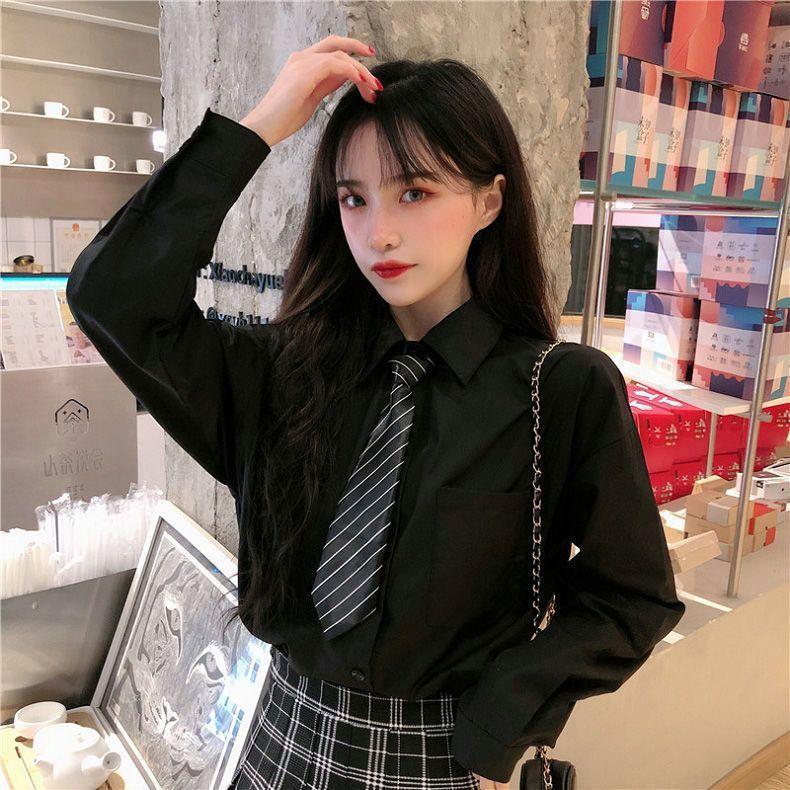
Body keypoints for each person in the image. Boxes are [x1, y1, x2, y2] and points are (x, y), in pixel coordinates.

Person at [66, 35, 686, 790]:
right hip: (280, 742)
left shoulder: (557, 391)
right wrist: (258, 127)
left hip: (442, 762)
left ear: (488, 202)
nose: (379, 232)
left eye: (415, 192)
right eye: (354, 198)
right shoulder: (281, 376)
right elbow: (113, 297)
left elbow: (632, 594)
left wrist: (504, 716)